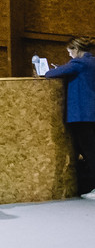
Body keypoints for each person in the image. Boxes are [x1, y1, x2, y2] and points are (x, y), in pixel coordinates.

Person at [42, 36, 95, 198]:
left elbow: (50, 74)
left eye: (70, 52)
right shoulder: (92, 62)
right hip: (90, 114)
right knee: (89, 150)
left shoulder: (78, 64)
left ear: (76, 50)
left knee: (89, 152)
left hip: (81, 115)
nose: (69, 55)